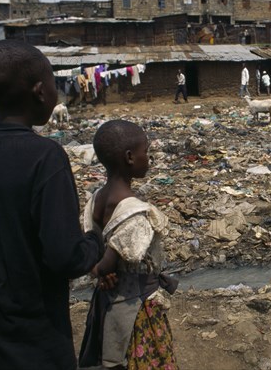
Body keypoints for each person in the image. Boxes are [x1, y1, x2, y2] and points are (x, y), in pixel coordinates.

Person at [0, 39, 103, 369]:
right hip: (32, 331)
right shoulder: (45, 158)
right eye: (52, 82)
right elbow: (64, 256)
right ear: (40, 92)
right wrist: (94, 242)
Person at [79, 120, 178, 369]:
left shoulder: (94, 201)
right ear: (130, 157)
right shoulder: (137, 213)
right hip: (136, 310)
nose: (149, 158)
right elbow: (107, 263)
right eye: (146, 151)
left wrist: (102, 273)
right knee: (141, 359)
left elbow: (95, 250)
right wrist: (100, 272)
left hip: (105, 301)